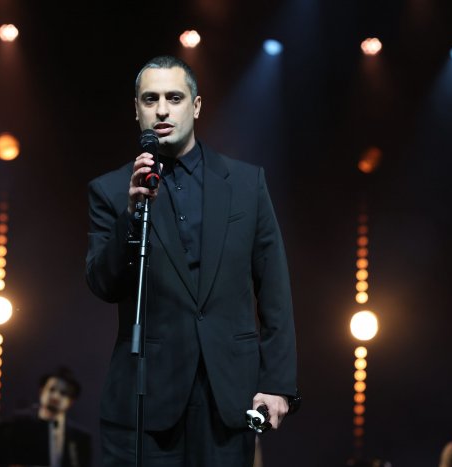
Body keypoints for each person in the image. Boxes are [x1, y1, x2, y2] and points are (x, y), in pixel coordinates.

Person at [85, 55, 298, 466]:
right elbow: (102, 284)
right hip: (144, 400)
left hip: (227, 396)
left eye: (174, 97)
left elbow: (274, 287)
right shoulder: (111, 190)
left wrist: (278, 383)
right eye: (150, 99)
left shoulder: (245, 183)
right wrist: (131, 215)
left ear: (196, 106)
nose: (162, 110)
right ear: (136, 110)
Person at [15, 367, 92, 467]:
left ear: (71, 401)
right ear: (41, 391)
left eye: (63, 393)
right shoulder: (22, 427)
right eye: (51, 389)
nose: (55, 396)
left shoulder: (80, 438)